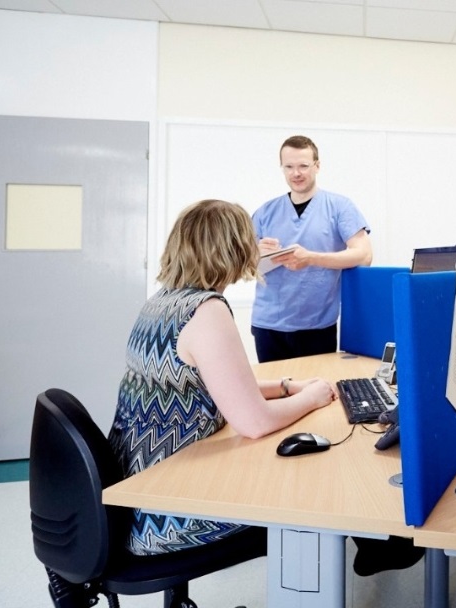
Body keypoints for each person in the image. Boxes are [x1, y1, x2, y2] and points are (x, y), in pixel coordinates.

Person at [108, 199, 336, 555]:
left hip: (134, 493)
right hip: (168, 510)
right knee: (312, 488)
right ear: (234, 249)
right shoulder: (206, 310)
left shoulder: (162, 302)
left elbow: (212, 385)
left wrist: (288, 387)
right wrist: (313, 397)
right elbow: (254, 422)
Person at [251, 135, 373, 363]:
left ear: (317, 166)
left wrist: (311, 258)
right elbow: (240, 264)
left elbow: (364, 256)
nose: (296, 173)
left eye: (303, 166)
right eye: (289, 167)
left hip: (317, 326)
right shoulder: (265, 212)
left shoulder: (339, 207)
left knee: (318, 393)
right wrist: (256, 253)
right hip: (268, 324)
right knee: (275, 394)